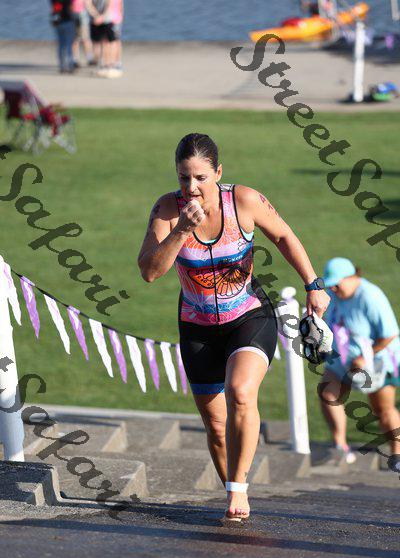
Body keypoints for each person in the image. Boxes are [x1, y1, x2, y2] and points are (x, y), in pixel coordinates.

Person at [137, 133, 330, 522]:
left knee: (241, 392)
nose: (192, 187)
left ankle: (238, 488)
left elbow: (284, 235)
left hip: (249, 315)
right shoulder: (167, 210)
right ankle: (233, 488)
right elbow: (149, 272)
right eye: (184, 178)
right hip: (198, 327)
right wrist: (180, 231)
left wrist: (313, 285)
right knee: (216, 426)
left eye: (201, 178)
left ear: (218, 173)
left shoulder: (243, 200)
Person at [318, 257, 400, 467]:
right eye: (330, 284)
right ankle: (340, 446)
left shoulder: (370, 296)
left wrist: (366, 356)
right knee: (328, 393)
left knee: (383, 410)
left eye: (337, 284)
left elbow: (390, 334)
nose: (333, 288)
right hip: (342, 359)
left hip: (377, 362)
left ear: (352, 277)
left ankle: (397, 454)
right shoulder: (333, 294)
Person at [50, 0, 75, 74]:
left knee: (61, 45)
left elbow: (53, 8)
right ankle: (70, 65)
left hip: (58, 21)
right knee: (68, 44)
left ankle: (62, 66)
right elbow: (71, 7)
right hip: (68, 20)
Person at [71, 0, 95, 68]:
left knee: (85, 39)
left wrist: (96, 15)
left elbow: (89, 5)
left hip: (82, 16)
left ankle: (89, 58)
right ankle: (75, 60)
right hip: (74, 16)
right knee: (75, 40)